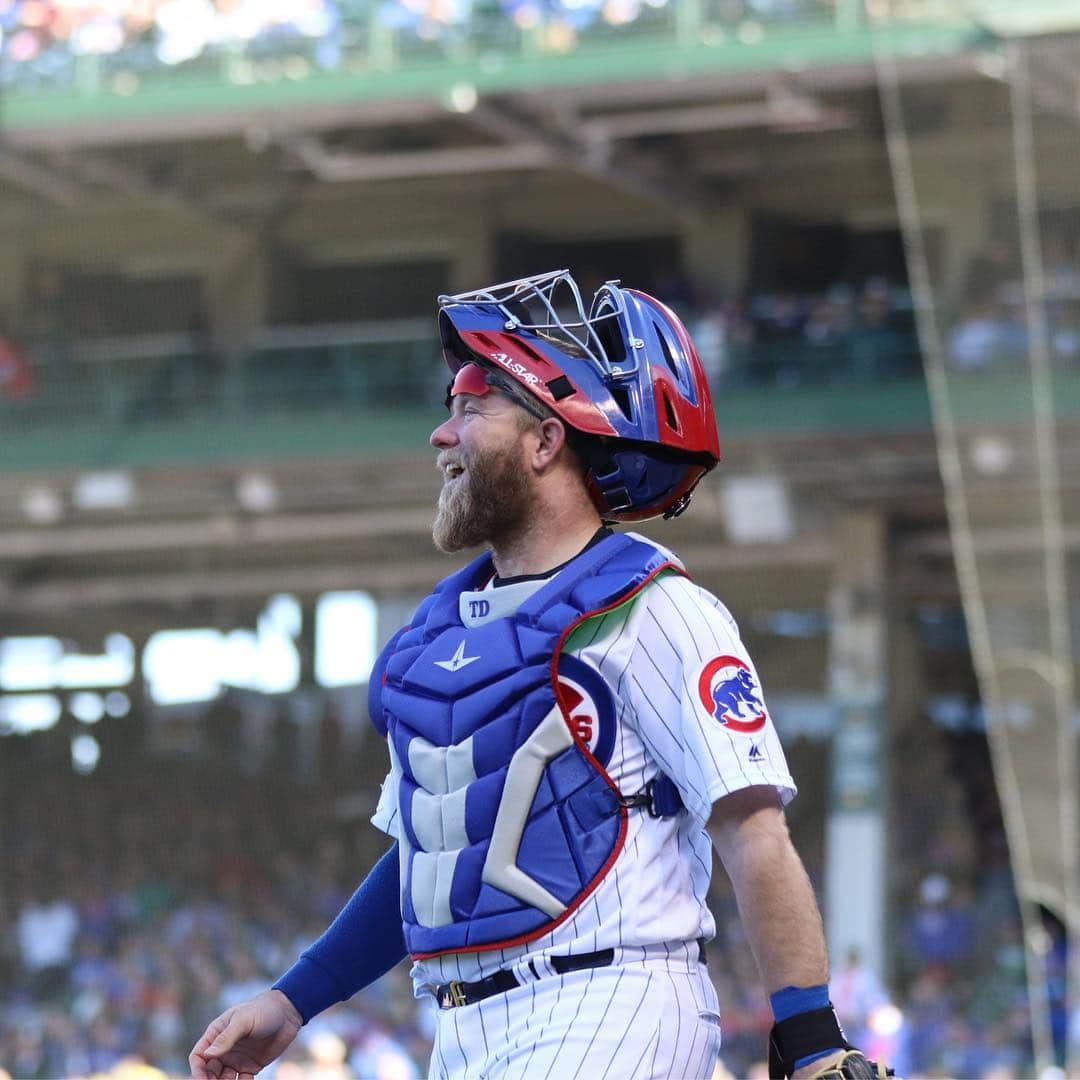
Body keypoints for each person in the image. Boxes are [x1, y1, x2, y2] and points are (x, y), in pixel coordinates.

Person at [190, 269, 889, 1080]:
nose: (440, 437)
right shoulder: (433, 634)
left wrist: (810, 1042)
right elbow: (434, 849)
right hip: (459, 1032)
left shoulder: (651, 606)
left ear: (546, 440)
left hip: (612, 1001)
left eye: (470, 408)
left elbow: (752, 827)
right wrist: (292, 1000)